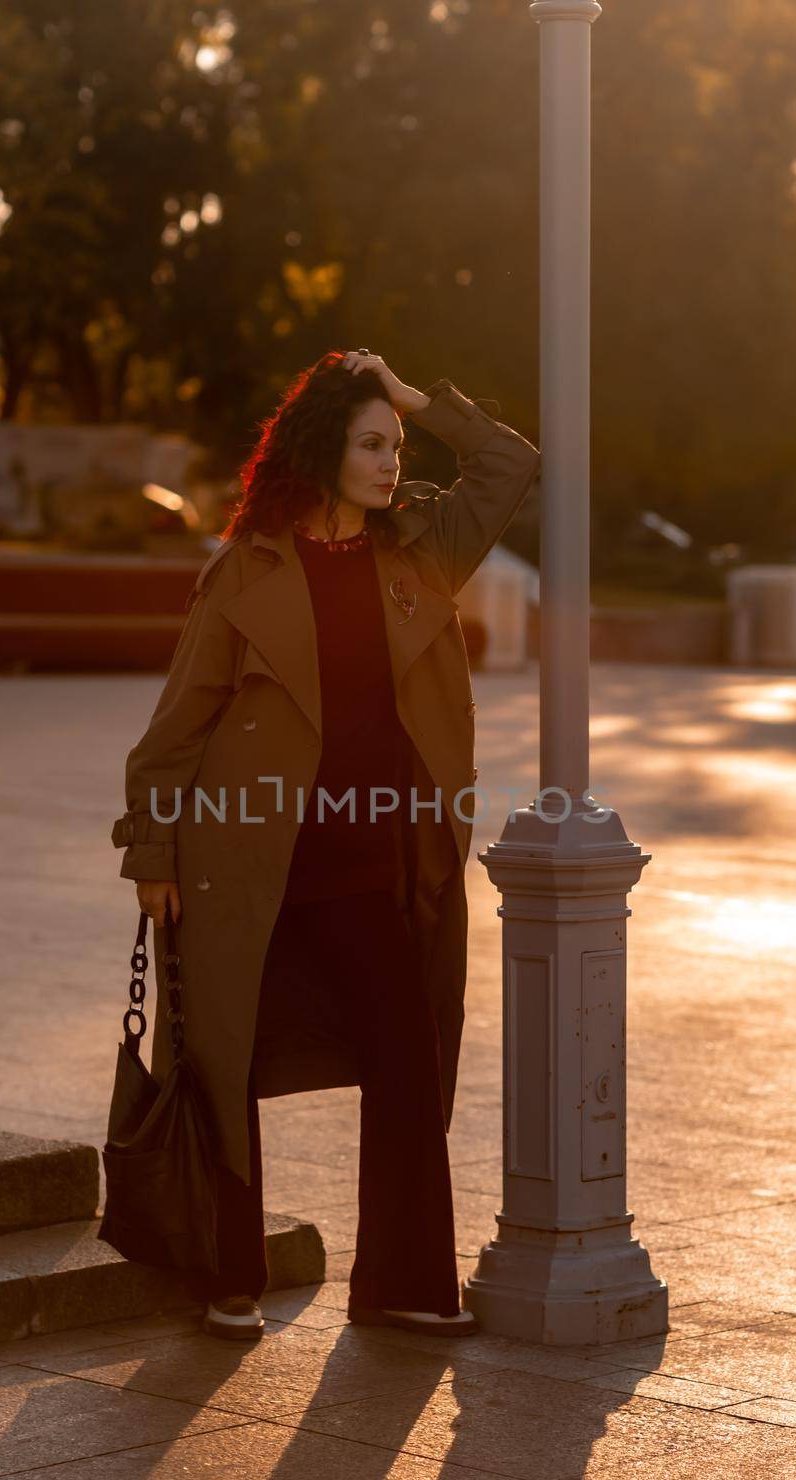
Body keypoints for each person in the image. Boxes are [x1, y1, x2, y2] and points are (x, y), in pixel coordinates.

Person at [112, 349, 541, 1341]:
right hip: (245, 867)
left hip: (371, 868)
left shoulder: (419, 549)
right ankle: (228, 1279)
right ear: (321, 449)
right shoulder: (244, 571)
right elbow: (174, 731)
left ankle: (399, 1284)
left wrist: (415, 398)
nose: (390, 462)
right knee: (223, 1063)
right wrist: (153, 857)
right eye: (370, 443)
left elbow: (509, 466)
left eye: (394, 446)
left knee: (407, 1056)